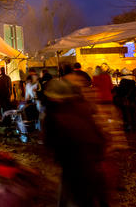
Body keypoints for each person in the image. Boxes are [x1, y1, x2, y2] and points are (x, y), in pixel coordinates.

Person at [42, 68, 110, 207]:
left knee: (80, 197)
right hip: (91, 160)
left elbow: (51, 141)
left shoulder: (57, 114)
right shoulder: (80, 106)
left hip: (78, 163)